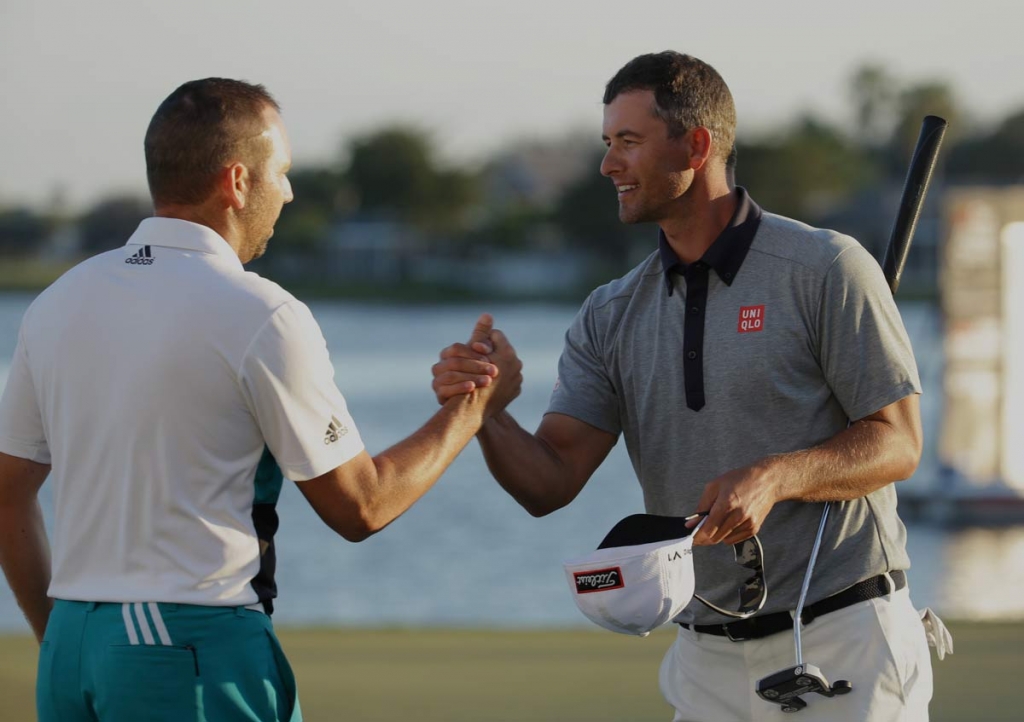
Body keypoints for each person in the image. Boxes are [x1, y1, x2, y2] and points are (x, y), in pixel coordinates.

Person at [432, 52, 936, 721]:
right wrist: (485, 414)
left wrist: (774, 477)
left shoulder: (826, 268)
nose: (610, 164)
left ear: (697, 146)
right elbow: (548, 483)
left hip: (843, 640)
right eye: (608, 144)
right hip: (704, 656)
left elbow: (897, 444)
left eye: (630, 143)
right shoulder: (610, 314)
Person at [0, 78, 519, 722]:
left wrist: (64, 638)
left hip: (74, 649)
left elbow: (7, 489)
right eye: (283, 173)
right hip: (189, 646)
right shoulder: (261, 312)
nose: (290, 192)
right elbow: (361, 506)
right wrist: (472, 407)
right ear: (238, 181)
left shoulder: (57, 301)